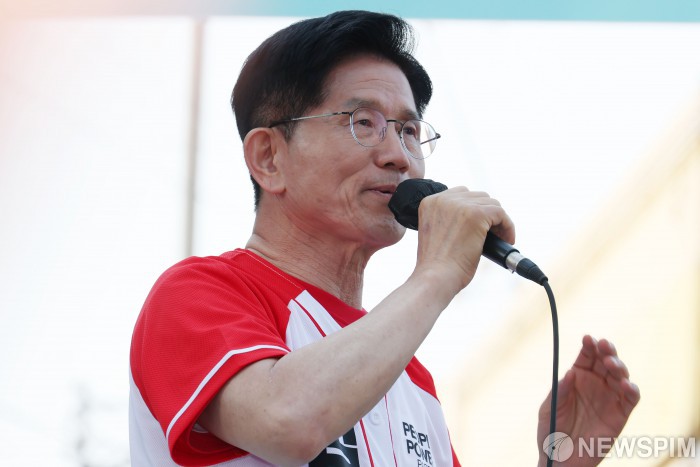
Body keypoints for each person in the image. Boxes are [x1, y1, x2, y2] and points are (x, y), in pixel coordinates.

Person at [129, 10, 640, 466]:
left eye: (409, 131)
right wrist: (437, 273)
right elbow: (285, 421)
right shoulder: (196, 294)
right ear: (269, 157)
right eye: (363, 122)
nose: (398, 156)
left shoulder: (412, 381)